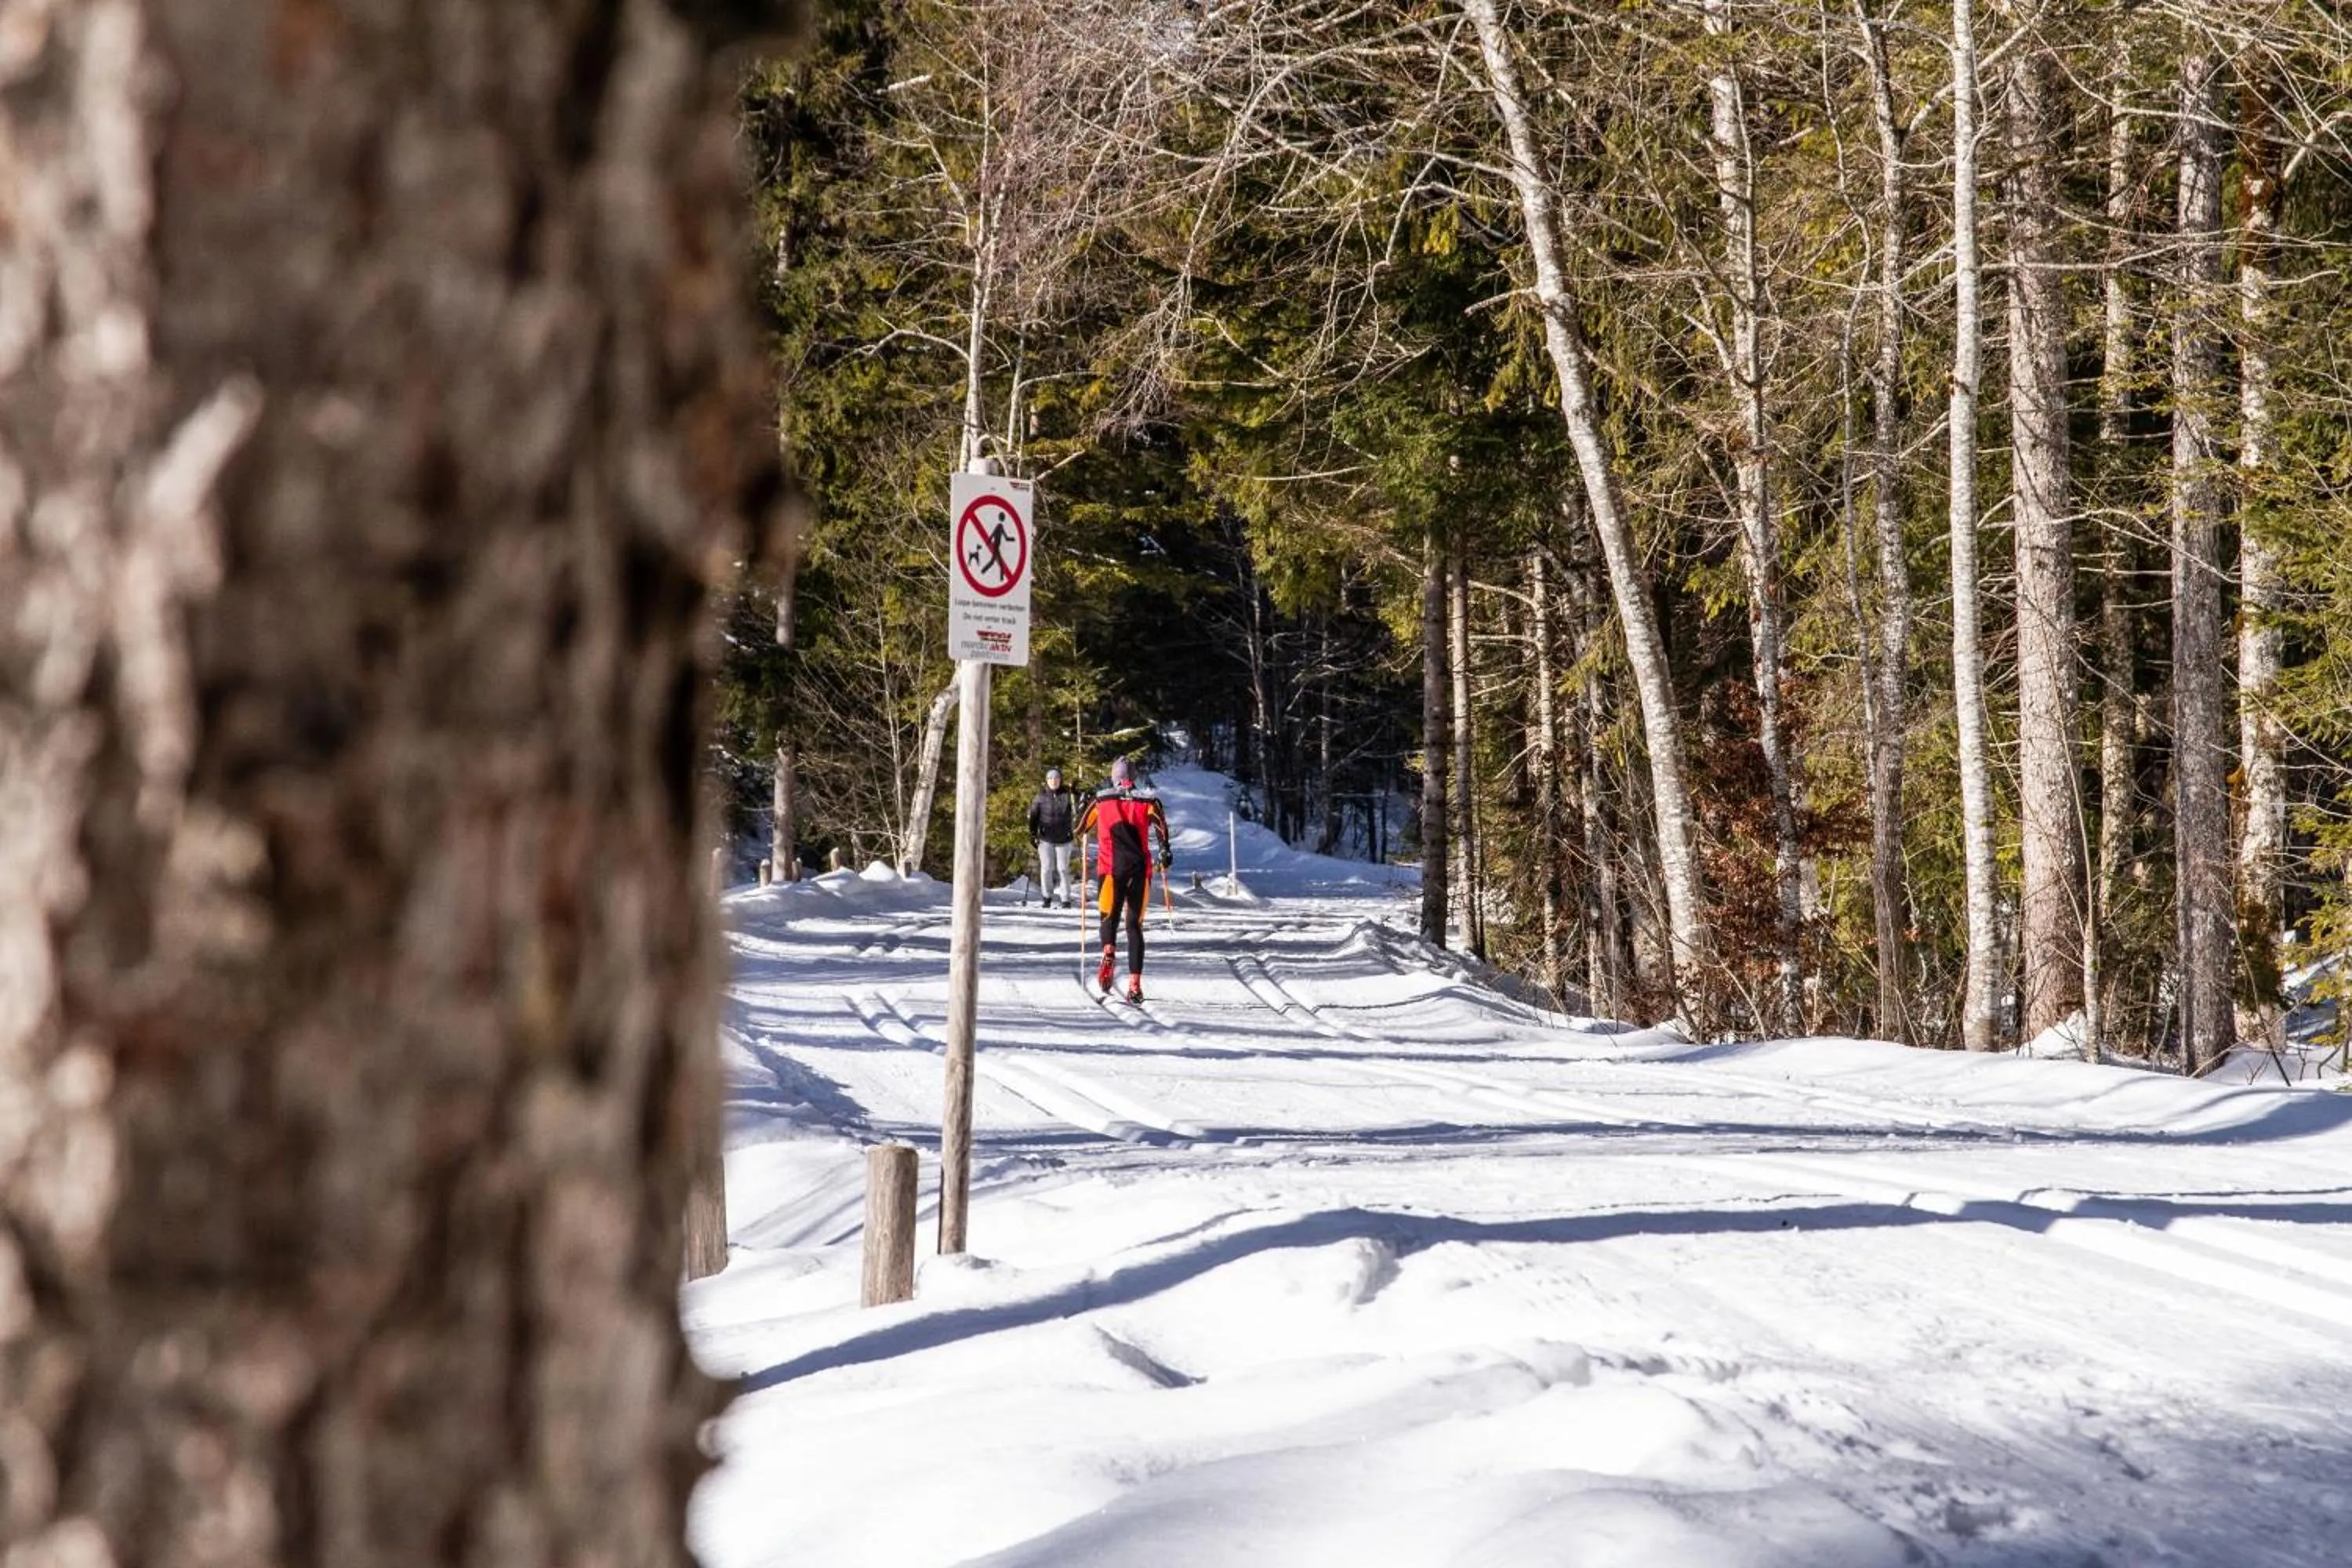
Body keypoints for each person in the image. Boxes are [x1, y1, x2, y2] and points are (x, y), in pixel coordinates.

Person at [1077, 757, 1171, 1001]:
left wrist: (1080, 807)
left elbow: (1079, 829)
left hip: (1111, 868)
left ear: (1114, 777)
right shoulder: (1148, 801)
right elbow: (1161, 827)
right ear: (1134, 777)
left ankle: (1109, 950)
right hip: (1140, 870)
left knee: (1109, 917)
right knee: (1134, 927)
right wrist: (1164, 850)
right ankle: (1135, 986)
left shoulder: (1101, 800)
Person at [1026, 767, 1077, 907]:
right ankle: (1047, 897)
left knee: (1063, 869)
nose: (1054, 781)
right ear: (1046, 781)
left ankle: (1066, 899)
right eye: (1051, 779)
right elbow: (1034, 817)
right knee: (1047, 868)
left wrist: (1077, 792)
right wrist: (1032, 834)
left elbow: (1078, 805)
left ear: (1060, 780)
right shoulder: (1040, 796)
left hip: (1064, 839)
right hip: (1045, 838)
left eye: (1057, 779)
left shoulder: (1067, 794)